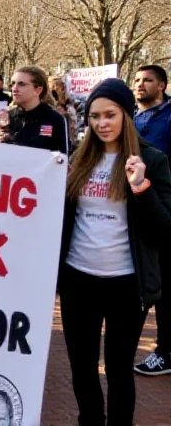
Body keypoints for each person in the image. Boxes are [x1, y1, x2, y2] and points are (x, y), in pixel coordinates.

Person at [59, 78, 171, 426]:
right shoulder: (79, 157)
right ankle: (90, 420)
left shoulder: (152, 159)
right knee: (81, 365)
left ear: (126, 115)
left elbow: (164, 229)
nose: (101, 123)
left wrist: (141, 187)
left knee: (119, 368)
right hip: (79, 279)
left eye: (110, 115)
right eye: (94, 116)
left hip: (126, 283)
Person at [132, 64, 171, 376]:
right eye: (136, 80)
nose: (140, 85)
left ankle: (164, 351)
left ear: (162, 85)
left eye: (147, 80)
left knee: (165, 287)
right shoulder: (130, 116)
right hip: (135, 209)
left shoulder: (169, 117)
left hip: (163, 210)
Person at [0, 65, 68, 153]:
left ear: (38, 90)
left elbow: (63, 157)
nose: (14, 89)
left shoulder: (55, 119)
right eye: (13, 83)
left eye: (21, 84)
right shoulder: (7, 117)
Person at [51, 76, 80, 152]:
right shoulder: (56, 106)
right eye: (63, 89)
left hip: (69, 138)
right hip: (65, 140)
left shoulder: (68, 105)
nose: (64, 91)